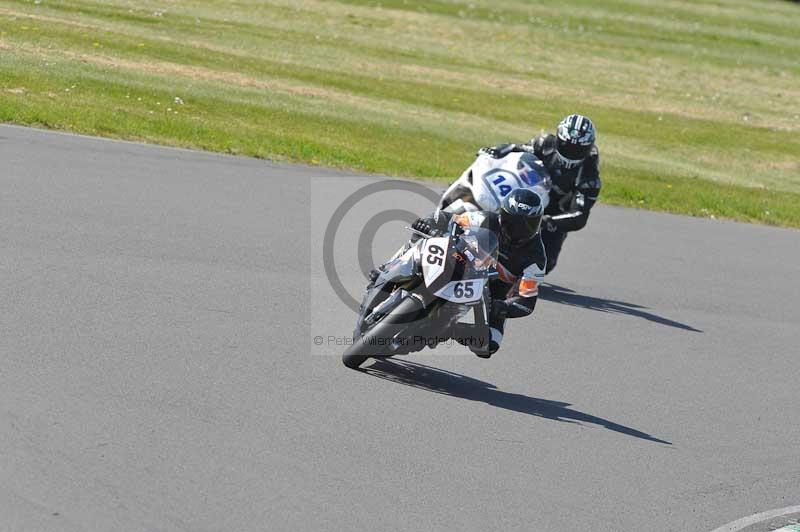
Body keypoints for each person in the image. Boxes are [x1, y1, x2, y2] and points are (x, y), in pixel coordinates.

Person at [411, 188, 546, 358]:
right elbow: (448, 218)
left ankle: (447, 329)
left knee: (488, 344)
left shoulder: (536, 257)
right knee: (422, 238)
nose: (518, 230)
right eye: (512, 222)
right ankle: (390, 270)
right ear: (502, 215)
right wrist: (430, 222)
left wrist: (501, 307)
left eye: (527, 224)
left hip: (491, 296)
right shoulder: (485, 219)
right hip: (461, 266)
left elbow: (526, 300)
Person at [477, 114, 600, 274]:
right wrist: (497, 150)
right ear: (559, 139)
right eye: (567, 146)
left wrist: (550, 221)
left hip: (553, 212)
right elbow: (517, 148)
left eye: (578, 149)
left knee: (545, 264)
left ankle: (508, 270)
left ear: (588, 148)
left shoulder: (589, 176)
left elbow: (579, 215)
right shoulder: (545, 143)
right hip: (524, 194)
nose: (571, 152)